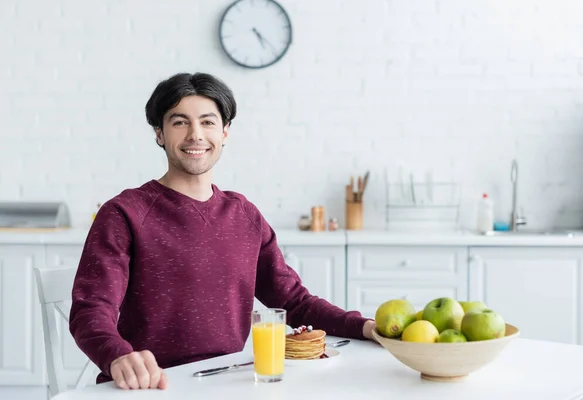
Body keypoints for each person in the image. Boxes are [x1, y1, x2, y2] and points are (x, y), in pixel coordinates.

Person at [69, 72, 376, 391]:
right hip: (149, 386)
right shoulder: (123, 213)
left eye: (207, 122)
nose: (195, 135)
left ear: (225, 131)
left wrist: (364, 326)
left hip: (226, 381)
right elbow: (91, 309)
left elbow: (294, 302)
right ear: (159, 133)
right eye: (179, 122)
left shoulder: (244, 214)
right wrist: (118, 356)